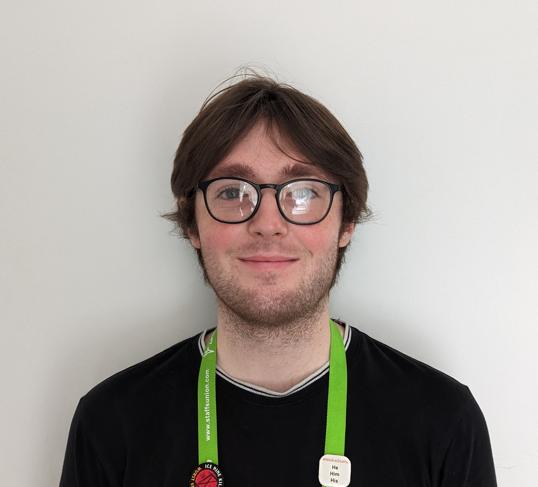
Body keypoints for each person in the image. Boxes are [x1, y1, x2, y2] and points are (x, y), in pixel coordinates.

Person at [60, 74, 497, 486]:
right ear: (192, 223)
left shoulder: (443, 421)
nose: (268, 223)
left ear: (347, 223)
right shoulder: (110, 425)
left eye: (303, 192)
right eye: (232, 192)